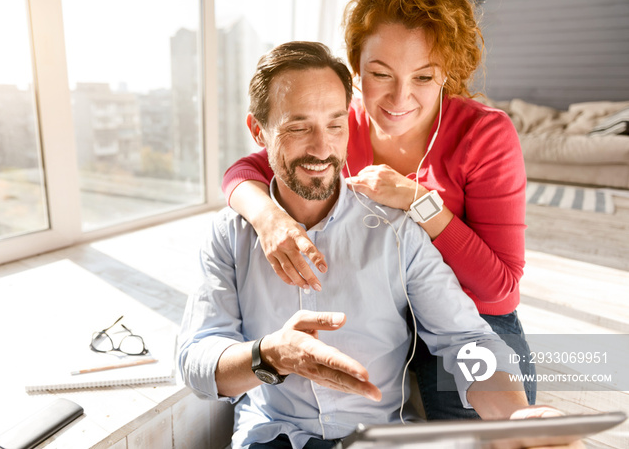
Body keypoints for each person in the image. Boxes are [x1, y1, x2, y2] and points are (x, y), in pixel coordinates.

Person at [179, 41, 568, 449]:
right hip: (270, 434)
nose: (321, 148)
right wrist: (270, 356)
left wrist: (514, 414)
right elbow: (197, 359)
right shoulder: (229, 235)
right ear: (258, 131)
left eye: (335, 124)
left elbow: (465, 340)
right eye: (298, 127)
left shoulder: (396, 230)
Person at [220, 0, 535, 420]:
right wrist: (268, 218)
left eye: (424, 77)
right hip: (376, 300)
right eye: (381, 74)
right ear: (356, 69)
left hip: (467, 311)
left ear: (448, 72)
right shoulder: (338, 125)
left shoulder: (483, 136)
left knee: (485, 425)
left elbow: (500, 291)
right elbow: (246, 169)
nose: (400, 98)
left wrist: (420, 202)